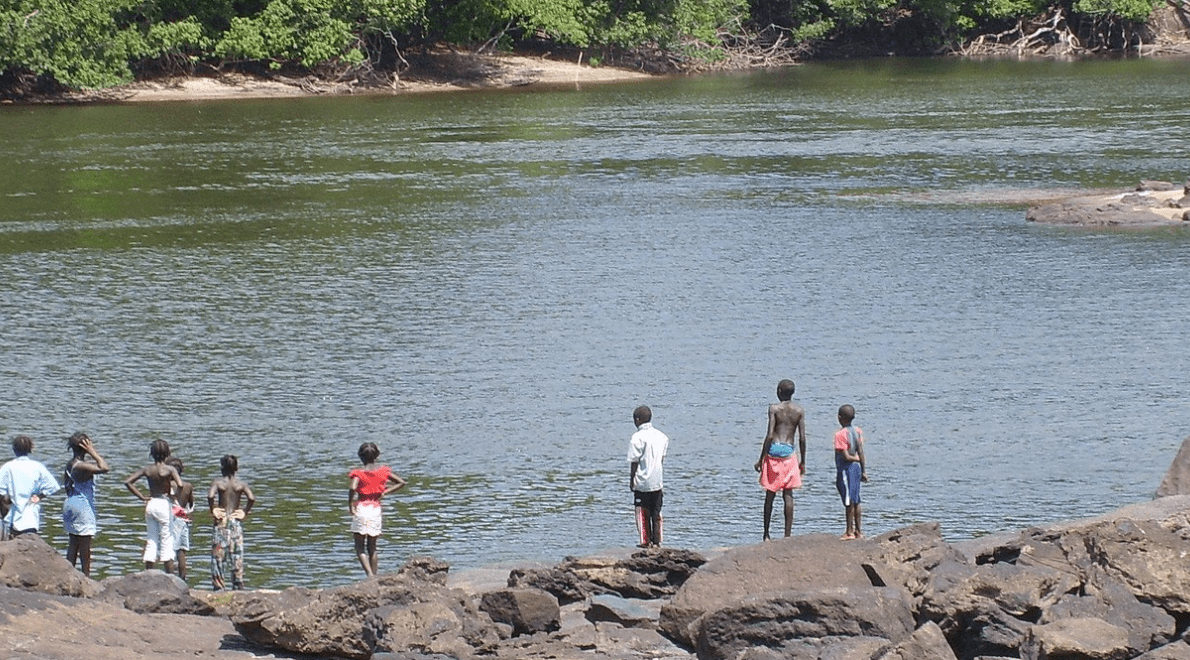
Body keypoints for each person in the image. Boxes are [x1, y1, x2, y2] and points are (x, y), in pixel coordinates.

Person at [754, 379, 806, 540]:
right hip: (789, 451)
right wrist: (803, 460)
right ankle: (787, 535)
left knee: (770, 494)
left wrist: (761, 458)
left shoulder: (774, 409)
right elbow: (802, 438)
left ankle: (766, 534)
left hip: (774, 450)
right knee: (788, 494)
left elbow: (770, 435)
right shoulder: (799, 411)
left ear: (778, 391)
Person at [124, 439, 184, 572]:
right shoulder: (170, 469)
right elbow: (180, 484)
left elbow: (128, 482)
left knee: (151, 540)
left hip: (151, 503)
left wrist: (141, 497)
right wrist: (174, 496)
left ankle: (148, 574)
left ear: (151, 453)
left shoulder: (148, 469)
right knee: (166, 540)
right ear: (167, 453)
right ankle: (170, 577)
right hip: (164, 503)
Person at [348, 442, 407, 577]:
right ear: (377, 456)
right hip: (375, 509)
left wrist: (350, 503)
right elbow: (401, 482)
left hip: (362, 508)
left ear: (360, 456)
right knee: (372, 547)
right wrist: (385, 492)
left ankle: (369, 575)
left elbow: (352, 487)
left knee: (359, 546)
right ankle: (375, 575)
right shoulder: (383, 472)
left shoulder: (358, 473)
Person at [62, 432, 110, 576]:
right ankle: (86, 577)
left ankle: (68, 575)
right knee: (85, 547)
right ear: (85, 448)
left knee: (73, 544)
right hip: (82, 507)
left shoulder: (70, 464)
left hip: (70, 503)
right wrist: (93, 453)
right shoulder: (82, 466)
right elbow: (104, 468)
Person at [208, 454, 255, 590]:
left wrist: (213, 509)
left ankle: (218, 586)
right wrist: (244, 511)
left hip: (222, 521)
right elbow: (252, 498)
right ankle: (238, 583)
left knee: (218, 555)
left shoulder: (218, 483)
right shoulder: (240, 484)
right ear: (237, 468)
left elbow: (210, 495)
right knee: (237, 554)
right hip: (235, 521)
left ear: (222, 468)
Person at [0, 436, 61, 539]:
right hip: (32, 515)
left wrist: (4, 511)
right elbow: (53, 486)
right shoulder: (37, 466)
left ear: (14, 449)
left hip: (15, 514)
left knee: (15, 541)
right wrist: (40, 496)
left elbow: (1, 493)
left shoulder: (8, 467)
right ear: (30, 449)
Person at [627, 405, 669, 548]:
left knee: (642, 512)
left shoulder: (637, 438)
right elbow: (661, 459)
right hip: (657, 481)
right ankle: (657, 541)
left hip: (642, 481)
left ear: (638, 420)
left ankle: (645, 542)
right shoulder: (662, 437)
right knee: (656, 512)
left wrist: (632, 480)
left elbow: (634, 462)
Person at [834, 404, 869, 540]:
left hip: (846, 469)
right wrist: (863, 469)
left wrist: (855, 459)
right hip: (856, 469)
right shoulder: (857, 431)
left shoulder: (840, 435)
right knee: (856, 499)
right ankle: (859, 531)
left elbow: (846, 456)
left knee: (849, 500)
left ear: (839, 418)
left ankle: (849, 531)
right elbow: (860, 450)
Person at [165, 456, 194, 581]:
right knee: (181, 551)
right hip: (182, 518)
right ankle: (183, 578)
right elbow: (191, 504)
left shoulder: (166, 485)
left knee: (169, 550)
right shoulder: (188, 486)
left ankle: (170, 578)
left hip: (169, 517)